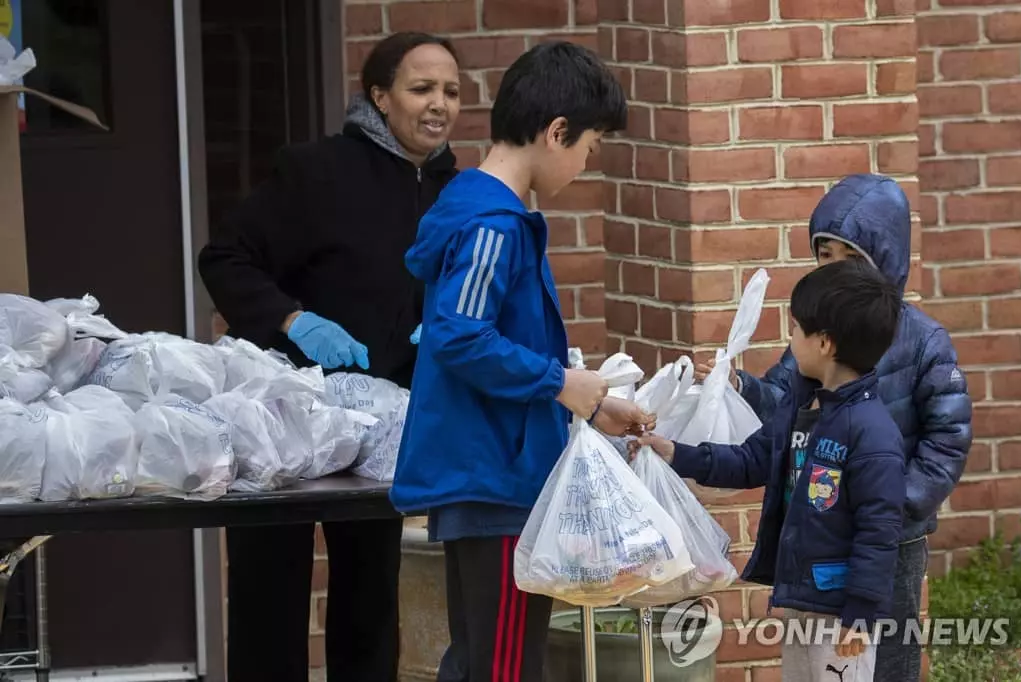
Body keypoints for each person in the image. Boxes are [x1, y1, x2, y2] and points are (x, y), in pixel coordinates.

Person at [196, 32, 463, 682]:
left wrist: (442, 329)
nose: (439, 105)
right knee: (269, 594)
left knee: (371, 597)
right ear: (379, 96)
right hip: (282, 415)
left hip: (377, 426)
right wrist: (294, 319)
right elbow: (225, 257)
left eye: (451, 92)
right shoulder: (318, 171)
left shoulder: (454, 191)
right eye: (421, 88)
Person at [388, 41, 652, 682]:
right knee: (504, 668)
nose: (586, 166)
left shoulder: (486, 213)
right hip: (496, 482)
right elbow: (458, 334)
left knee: (481, 661)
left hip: (490, 473)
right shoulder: (494, 225)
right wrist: (560, 382)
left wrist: (588, 401)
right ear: (557, 132)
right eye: (589, 150)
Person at [694, 174, 972, 682]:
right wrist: (737, 386)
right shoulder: (813, 340)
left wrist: (890, 507)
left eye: (851, 259)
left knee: (886, 651)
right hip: (824, 538)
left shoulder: (926, 342)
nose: (835, 271)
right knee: (826, 660)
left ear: (884, 261)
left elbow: (946, 440)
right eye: (825, 257)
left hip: (892, 538)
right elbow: (782, 407)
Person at [635, 259, 906, 682]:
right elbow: (748, 460)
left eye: (796, 328)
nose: (790, 337)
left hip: (840, 612)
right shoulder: (797, 409)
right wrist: (675, 452)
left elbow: (879, 529)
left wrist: (861, 611)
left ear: (825, 344)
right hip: (800, 595)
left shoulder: (872, 433)